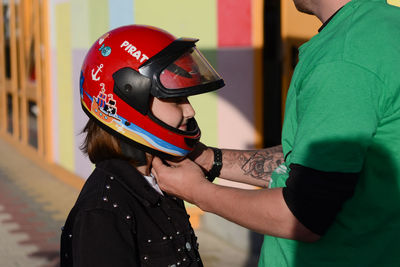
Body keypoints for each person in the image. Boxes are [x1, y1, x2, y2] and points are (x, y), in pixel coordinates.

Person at [152, 0, 400, 266]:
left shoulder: (343, 59)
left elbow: (303, 216)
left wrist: (197, 192)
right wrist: (208, 159)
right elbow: (318, 164)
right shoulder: (385, 26)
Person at [60, 24, 234, 267]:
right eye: (175, 99)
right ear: (129, 98)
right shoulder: (103, 212)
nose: (190, 110)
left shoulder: (161, 178)